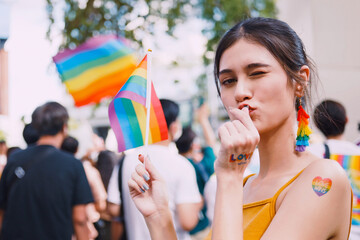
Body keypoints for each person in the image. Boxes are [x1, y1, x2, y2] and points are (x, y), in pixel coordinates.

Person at [127, 17, 353, 240]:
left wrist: (228, 177)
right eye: (228, 81)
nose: (239, 92)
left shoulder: (323, 178)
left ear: (299, 82)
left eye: (257, 73)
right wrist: (159, 217)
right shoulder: (244, 185)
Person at [107, 99, 202, 240]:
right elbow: (187, 222)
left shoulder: (126, 161)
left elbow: (113, 208)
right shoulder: (182, 165)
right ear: (174, 126)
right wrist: (199, 203)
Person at [0, 102, 94, 239]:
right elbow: (80, 219)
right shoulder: (73, 164)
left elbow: (2, 209)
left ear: (37, 127)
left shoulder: (14, 160)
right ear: (64, 128)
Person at [308, 99, 360, 239]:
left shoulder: (313, 153)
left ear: (318, 125)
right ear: (346, 120)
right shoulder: (357, 151)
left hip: (330, 231)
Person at [175, 103, 217, 239]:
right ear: (193, 144)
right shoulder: (198, 164)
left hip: (178, 228)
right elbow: (211, 144)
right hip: (200, 226)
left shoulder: (176, 163)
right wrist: (203, 120)